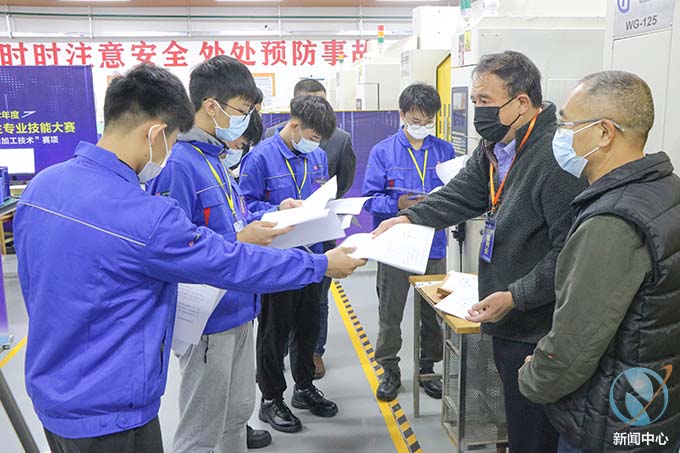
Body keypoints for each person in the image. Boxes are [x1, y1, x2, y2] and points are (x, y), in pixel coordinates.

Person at [13, 63, 365, 453]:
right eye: (171, 139)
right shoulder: (143, 215)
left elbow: (34, 284)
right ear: (155, 134)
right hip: (112, 406)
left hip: (53, 393)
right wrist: (320, 265)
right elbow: (227, 260)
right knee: (201, 431)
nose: (169, 152)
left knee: (232, 414)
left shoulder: (41, 187)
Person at [373, 51, 586, 453]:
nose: (477, 112)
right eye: (474, 101)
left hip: (537, 327)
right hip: (507, 316)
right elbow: (463, 191)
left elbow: (570, 251)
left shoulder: (554, 158)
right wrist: (410, 218)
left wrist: (517, 295)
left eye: (485, 101)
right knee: (519, 423)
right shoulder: (496, 145)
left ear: (521, 103)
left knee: (535, 433)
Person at [518, 71, 680, 453]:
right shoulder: (666, 190)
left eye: (566, 125)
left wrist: (532, 376)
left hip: (607, 422)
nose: (560, 135)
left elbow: (573, 346)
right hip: (652, 407)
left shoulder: (611, 223)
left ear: (604, 132)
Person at [147, 56, 301, 453]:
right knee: (201, 429)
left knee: (237, 414)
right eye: (242, 110)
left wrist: (273, 213)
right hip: (208, 319)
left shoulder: (213, 159)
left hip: (241, 306)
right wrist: (240, 239)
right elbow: (175, 249)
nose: (245, 120)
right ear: (211, 106)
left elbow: (235, 219)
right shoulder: (179, 165)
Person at [239, 95, 338, 434]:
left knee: (309, 327)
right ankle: (271, 399)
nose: (316, 144)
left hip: (311, 255)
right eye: (312, 136)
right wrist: (277, 208)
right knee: (274, 332)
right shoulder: (260, 158)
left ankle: (304, 388)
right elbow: (245, 208)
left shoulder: (318, 156)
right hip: (277, 261)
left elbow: (321, 196)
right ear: (294, 126)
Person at [362, 83, 455, 402]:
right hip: (395, 245)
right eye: (416, 120)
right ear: (402, 115)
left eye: (428, 121)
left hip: (433, 243)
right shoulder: (383, 152)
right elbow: (369, 200)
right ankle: (389, 368)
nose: (422, 126)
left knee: (433, 311)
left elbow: (456, 195)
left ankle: (427, 368)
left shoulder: (444, 151)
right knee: (391, 311)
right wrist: (397, 204)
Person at [265, 78, 357, 379]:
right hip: (281, 243)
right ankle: (274, 379)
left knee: (315, 303)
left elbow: (340, 183)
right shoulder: (266, 146)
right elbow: (249, 200)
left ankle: (311, 361)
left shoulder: (333, 143)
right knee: (278, 312)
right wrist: (278, 210)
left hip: (317, 239)